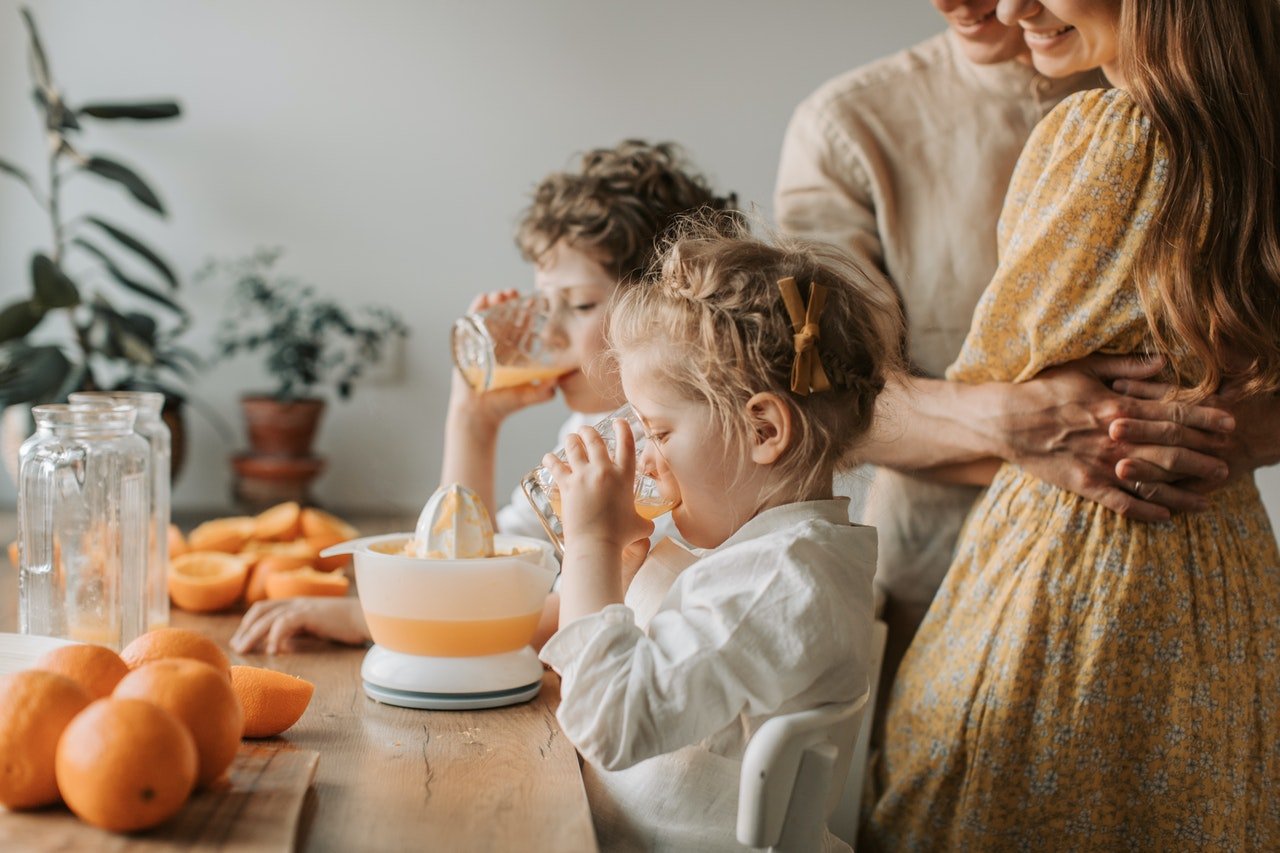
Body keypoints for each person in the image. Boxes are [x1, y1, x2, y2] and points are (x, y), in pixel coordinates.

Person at [774, 0, 1267, 725]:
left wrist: (1199, 438)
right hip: (932, 590)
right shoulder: (847, 127)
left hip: (1177, 604)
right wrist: (1006, 419)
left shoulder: (1204, 98)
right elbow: (804, 389)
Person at [866, 0, 1280, 847]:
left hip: (1078, 575)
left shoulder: (1103, 134)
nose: (1014, 5)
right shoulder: (1254, 133)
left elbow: (996, 368)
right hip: (1227, 585)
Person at [231, 141, 738, 655]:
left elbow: (558, 616)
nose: (547, 334)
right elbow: (476, 571)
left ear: (664, 314)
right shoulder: (587, 434)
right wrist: (472, 421)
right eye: (543, 305)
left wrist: (373, 619)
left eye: (579, 304)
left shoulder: (677, 449)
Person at [539, 223, 901, 851]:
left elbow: (608, 722)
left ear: (764, 430)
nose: (645, 460)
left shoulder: (779, 583)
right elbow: (637, 664)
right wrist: (619, 562)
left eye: (659, 433)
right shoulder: (761, 556)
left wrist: (593, 545)